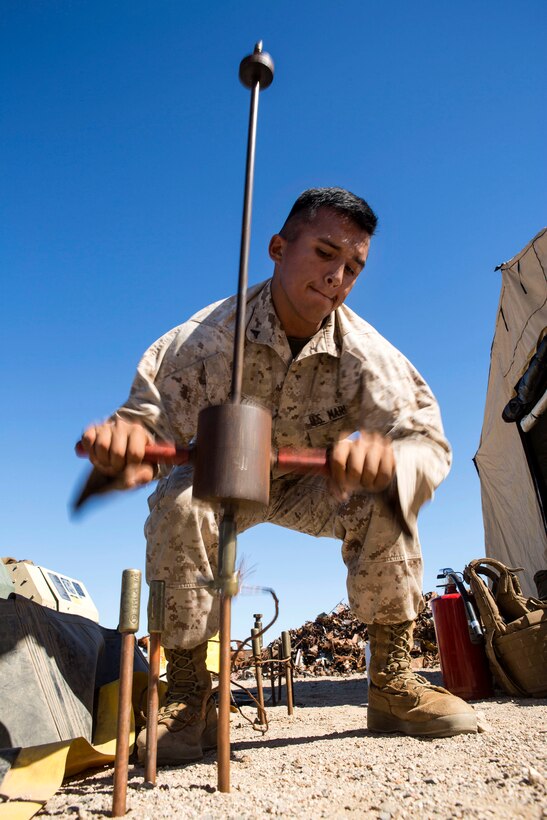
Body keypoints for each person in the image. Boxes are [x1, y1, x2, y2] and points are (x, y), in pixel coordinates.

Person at [81, 187, 477, 765]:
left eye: (353, 267)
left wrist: (390, 460)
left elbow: (429, 445)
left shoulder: (368, 358)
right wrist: (125, 442)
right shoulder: (204, 341)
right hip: (221, 481)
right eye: (323, 252)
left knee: (385, 497)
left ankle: (392, 683)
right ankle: (190, 695)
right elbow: (144, 421)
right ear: (276, 247)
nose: (337, 275)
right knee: (180, 503)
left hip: (316, 488)